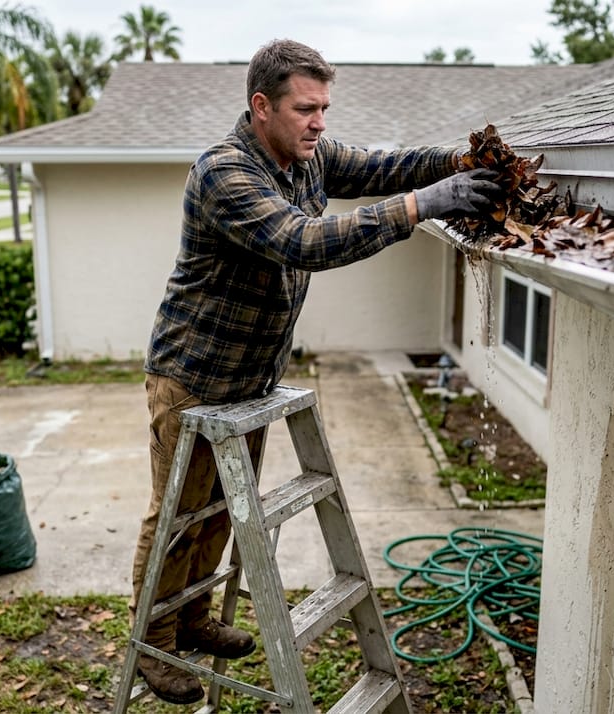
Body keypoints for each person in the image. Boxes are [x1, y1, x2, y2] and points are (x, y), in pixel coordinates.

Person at [131, 38, 501, 705]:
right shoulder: (225, 172)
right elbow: (302, 242)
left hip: (249, 380)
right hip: (192, 376)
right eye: (307, 108)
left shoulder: (310, 158)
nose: (320, 122)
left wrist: (455, 163)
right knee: (179, 515)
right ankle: (155, 642)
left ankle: (192, 618)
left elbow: (386, 167)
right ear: (262, 105)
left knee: (219, 512)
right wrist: (425, 206)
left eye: (325, 108)